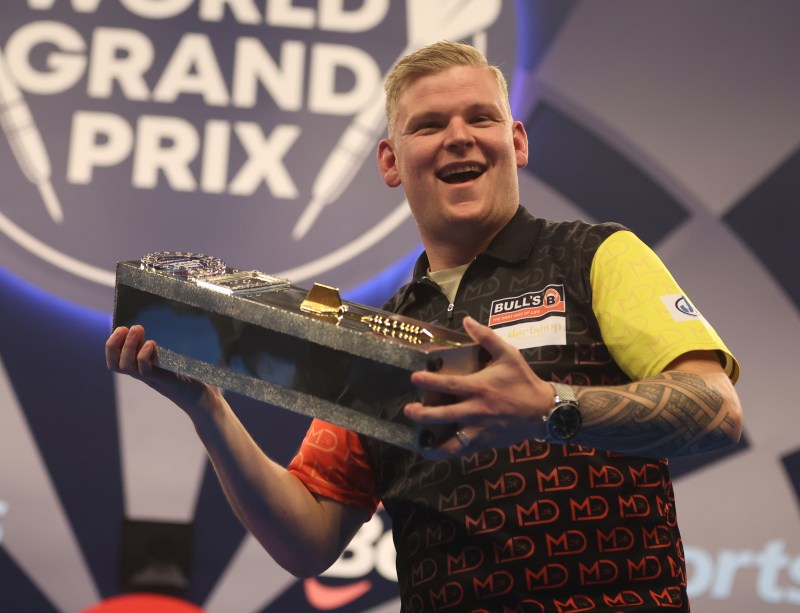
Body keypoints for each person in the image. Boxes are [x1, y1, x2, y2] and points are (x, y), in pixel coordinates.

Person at [106, 40, 742, 612]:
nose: (459, 137)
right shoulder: (374, 335)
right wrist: (208, 407)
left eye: (481, 118)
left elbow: (716, 408)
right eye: (429, 125)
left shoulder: (597, 255)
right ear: (390, 160)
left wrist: (554, 408)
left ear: (516, 142)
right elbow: (308, 539)